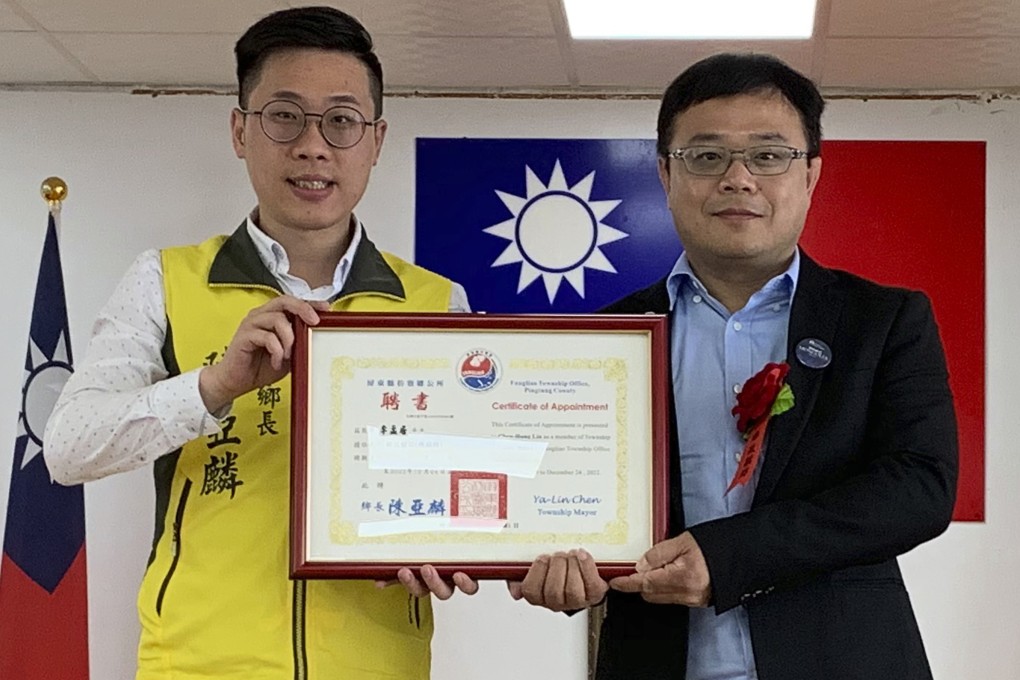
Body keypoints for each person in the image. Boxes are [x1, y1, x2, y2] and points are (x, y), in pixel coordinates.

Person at [43, 7, 477, 679]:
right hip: (199, 664)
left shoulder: (437, 303)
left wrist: (452, 544)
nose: (312, 146)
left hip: (378, 663)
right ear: (241, 130)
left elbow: (465, 483)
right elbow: (68, 448)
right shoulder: (164, 279)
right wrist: (212, 388)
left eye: (341, 120)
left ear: (376, 139)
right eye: (284, 116)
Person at [511, 53, 958, 680]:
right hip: (654, 661)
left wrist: (730, 557)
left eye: (769, 155)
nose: (738, 178)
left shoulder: (883, 321)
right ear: (666, 174)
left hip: (845, 659)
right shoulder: (605, 340)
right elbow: (561, 496)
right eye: (707, 156)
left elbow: (920, 488)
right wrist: (567, 566)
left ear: (811, 176)